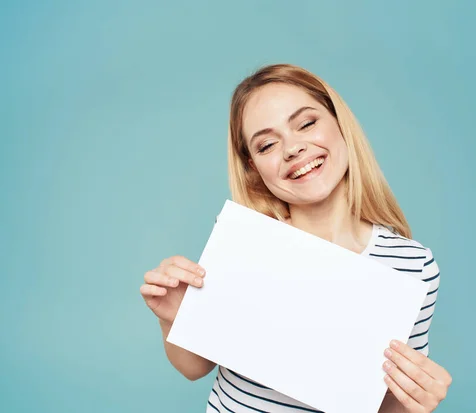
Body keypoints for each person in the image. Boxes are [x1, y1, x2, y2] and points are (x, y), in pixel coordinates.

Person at [140, 64, 452, 412]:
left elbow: (380, 404)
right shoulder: (244, 240)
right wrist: (172, 317)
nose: (293, 148)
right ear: (253, 166)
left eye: (306, 123)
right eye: (267, 144)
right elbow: (195, 367)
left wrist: (414, 402)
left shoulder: (412, 266)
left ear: (340, 124)